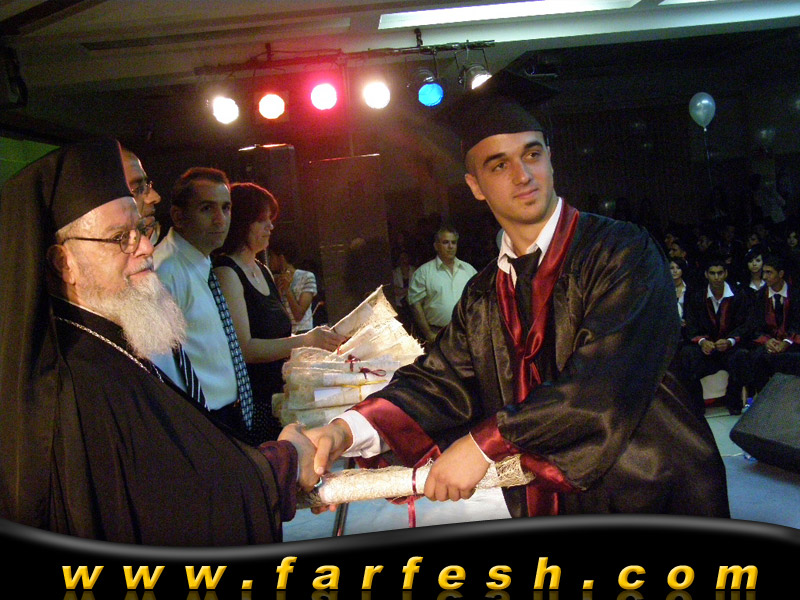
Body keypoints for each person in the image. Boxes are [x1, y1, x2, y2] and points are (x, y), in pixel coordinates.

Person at [306, 83, 729, 517]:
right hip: (552, 504)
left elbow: (602, 383)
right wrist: (344, 430)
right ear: (475, 186)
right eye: (499, 164)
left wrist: (485, 444)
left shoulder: (622, 251)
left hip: (654, 491)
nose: (523, 175)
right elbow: (439, 381)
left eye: (532, 154)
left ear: (550, 159)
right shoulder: (484, 295)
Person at [0, 139, 318, 545]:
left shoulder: (107, 343)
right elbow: (178, 502)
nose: (147, 247)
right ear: (65, 264)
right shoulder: (79, 378)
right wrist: (286, 460)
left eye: (141, 231)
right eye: (121, 238)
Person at [214, 182, 345, 442]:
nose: (270, 227)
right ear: (242, 223)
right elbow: (245, 349)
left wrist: (317, 343)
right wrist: (306, 340)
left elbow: (281, 334)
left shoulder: (262, 269)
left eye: (270, 220)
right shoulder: (227, 272)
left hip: (280, 394)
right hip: (256, 401)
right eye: (262, 220)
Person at [678, 256, 751, 416]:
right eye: (712, 273)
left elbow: (745, 325)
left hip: (729, 347)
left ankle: (734, 402)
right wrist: (702, 341)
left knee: (742, 355)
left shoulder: (739, 295)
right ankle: (696, 406)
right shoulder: (697, 297)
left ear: (725, 273)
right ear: (706, 274)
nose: (716, 277)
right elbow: (691, 326)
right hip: (707, 348)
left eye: (720, 273)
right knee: (687, 354)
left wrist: (730, 341)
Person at [407, 224, 477, 344]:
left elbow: (479, 300)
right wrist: (428, 334)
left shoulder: (469, 270)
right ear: (436, 246)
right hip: (437, 334)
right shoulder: (423, 272)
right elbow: (415, 304)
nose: (450, 246)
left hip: (466, 333)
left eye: (453, 242)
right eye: (445, 242)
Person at [742, 253, 800, 394]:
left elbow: (798, 324)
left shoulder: (796, 295)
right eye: (764, 272)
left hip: (793, 342)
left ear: (780, 274)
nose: (765, 276)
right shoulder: (759, 296)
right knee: (756, 358)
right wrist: (768, 341)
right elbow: (754, 325)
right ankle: (764, 398)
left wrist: (786, 342)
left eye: (769, 272)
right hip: (769, 344)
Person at [267, 236, 317, 335]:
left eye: (271, 256)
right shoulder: (272, 280)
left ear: (281, 258)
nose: (269, 260)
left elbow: (299, 315)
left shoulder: (307, 277)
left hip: (303, 333)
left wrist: (287, 290)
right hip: (284, 333)